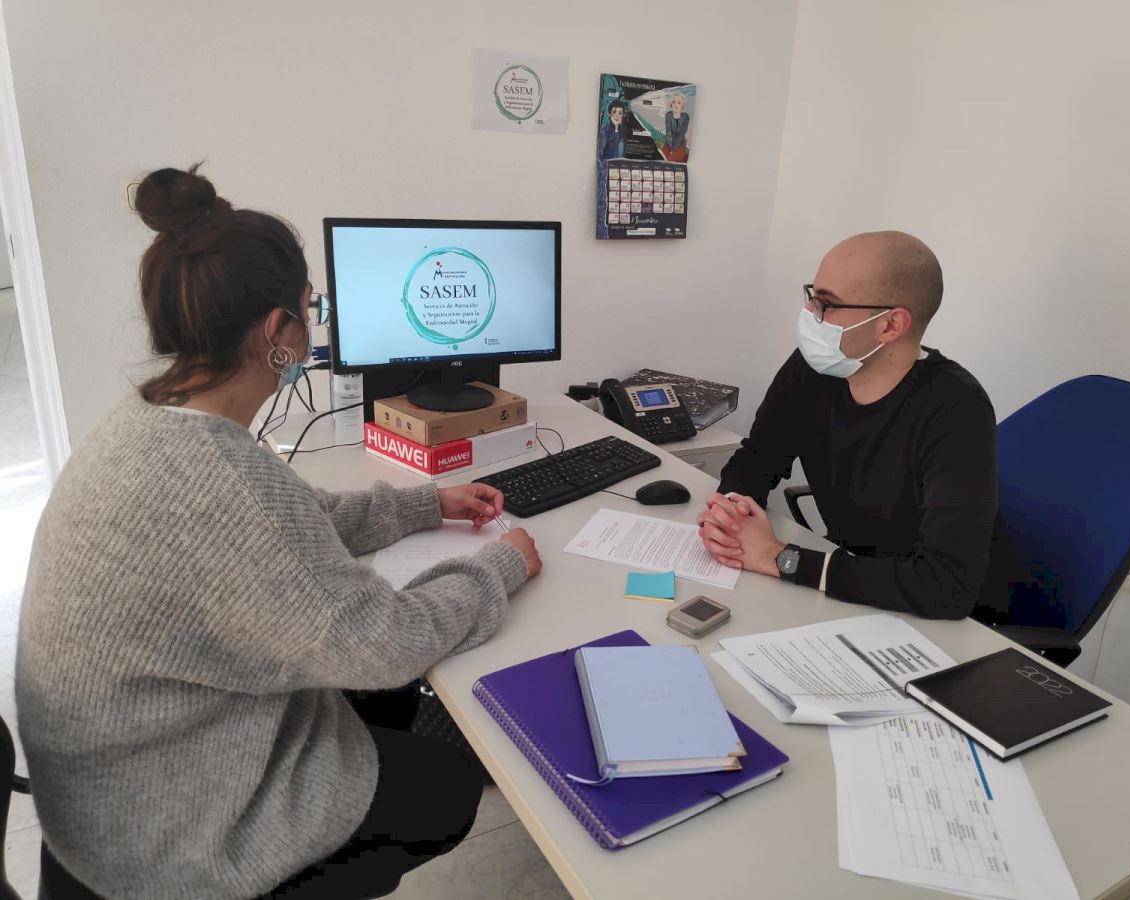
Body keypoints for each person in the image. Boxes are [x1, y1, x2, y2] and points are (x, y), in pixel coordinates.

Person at [15, 165, 543, 899]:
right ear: (276, 332)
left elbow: (292, 517)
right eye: (310, 308)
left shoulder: (153, 418)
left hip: (115, 789)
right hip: (166, 838)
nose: (314, 324)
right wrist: (501, 566)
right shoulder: (217, 475)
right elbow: (385, 643)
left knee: (388, 702)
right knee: (446, 785)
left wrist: (428, 505)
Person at [697, 231, 1006, 622]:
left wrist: (781, 558)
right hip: (849, 590)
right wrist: (730, 514)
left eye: (827, 304)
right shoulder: (813, 369)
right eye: (812, 296)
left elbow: (946, 586)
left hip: (936, 622)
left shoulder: (956, 410)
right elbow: (758, 457)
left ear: (890, 325)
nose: (810, 313)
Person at [662, 92, 690, 162]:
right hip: (669, 143)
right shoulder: (668, 115)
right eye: (673, 102)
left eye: (679, 103)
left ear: (682, 105)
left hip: (680, 144)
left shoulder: (685, 116)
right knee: (662, 158)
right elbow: (668, 132)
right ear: (671, 104)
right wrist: (671, 147)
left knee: (672, 160)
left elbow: (682, 134)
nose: (676, 105)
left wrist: (674, 149)